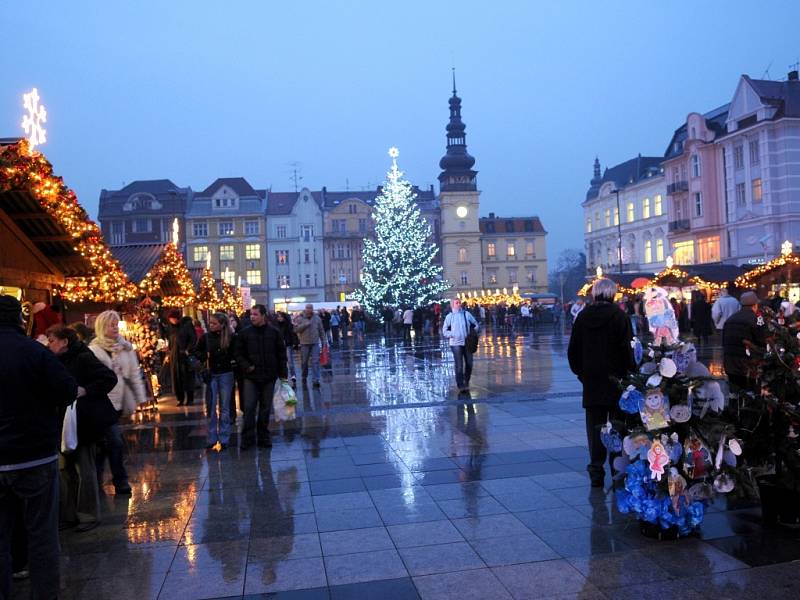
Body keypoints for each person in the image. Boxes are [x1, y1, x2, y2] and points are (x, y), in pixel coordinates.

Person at [0, 296, 78, 599]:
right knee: (42, 537)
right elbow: (68, 389)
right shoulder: (35, 352)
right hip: (34, 456)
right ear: (19, 320)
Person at [46, 324, 117, 531]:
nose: (49, 345)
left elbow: (109, 378)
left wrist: (86, 390)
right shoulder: (54, 360)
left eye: (52, 341)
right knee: (65, 469)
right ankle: (69, 515)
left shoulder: (83, 357)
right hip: (63, 421)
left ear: (64, 342)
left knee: (84, 468)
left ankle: (87, 515)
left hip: (83, 421)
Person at [567, 278, 634, 487]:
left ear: (594, 294)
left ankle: (596, 471)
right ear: (612, 294)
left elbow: (573, 352)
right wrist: (628, 375)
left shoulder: (582, 317)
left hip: (592, 383)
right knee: (616, 426)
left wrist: (582, 374)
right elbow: (628, 349)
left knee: (595, 428)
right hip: (616, 382)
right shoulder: (620, 317)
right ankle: (617, 470)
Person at [89, 310, 147, 494]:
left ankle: (100, 480)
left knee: (107, 443)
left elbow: (133, 375)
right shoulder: (94, 350)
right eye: (111, 325)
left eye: (116, 324)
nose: (115, 328)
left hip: (119, 401)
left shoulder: (125, 348)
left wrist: (141, 397)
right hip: (102, 403)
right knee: (113, 441)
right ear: (101, 326)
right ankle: (118, 481)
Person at [235, 304, 288, 449]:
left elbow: (281, 354)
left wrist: (283, 374)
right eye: (251, 314)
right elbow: (238, 354)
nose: (252, 317)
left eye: (255, 314)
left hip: (269, 376)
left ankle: (263, 436)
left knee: (265, 408)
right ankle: (248, 438)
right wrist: (247, 366)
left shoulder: (274, 332)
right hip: (251, 376)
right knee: (249, 407)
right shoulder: (245, 333)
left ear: (263, 315)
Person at [195, 312, 236, 450]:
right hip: (211, 374)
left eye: (214, 323)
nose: (211, 325)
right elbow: (196, 353)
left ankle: (224, 437)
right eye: (210, 323)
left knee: (224, 408)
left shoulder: (230, 337)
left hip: (226, 374)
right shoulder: (206, 338)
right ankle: (212, 437)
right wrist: (202, 359)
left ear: (222, 324)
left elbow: (235, 354)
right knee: (211, 407)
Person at [722, 291, 766, 392]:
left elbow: (724, 343)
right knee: (751, 394)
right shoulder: (758, 319)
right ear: (755, 305)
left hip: (729, 363)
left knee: (734, 393)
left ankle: (734, 406)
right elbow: (762, 339)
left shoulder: (730, 319)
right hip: (748, 365)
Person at [442, 297, 480, 393]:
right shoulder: (449, 316)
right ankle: (460, 384)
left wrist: (473, 332)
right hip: (455, 343)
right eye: (456, 303)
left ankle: (466, 381)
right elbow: (444, 331)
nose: (459, 304)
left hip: (467, 342)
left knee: (469, 363)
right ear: (452, 305)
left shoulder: (466, 314)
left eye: (459, 302)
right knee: (459, 364)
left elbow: (476, 324)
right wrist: (453, 334)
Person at [165, 310, 198, 406]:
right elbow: (171, 341)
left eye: (172, 319)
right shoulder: (171, 328)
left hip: (184, 356)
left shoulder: (186, 326)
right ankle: (180, 398)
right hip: (175, 357)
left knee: (187, 378)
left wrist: (188, 350)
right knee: (177, 378)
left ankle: (190, 399)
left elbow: (193, 339)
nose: (171, 321)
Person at [294, 304, 327, 388]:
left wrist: (324, 341)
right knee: (304, 362)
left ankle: (315, 380)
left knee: (315, 361)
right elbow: (296, 330)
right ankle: (304, 376)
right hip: (304, 343)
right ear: (305, 309)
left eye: (310, 308)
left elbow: (321, 330)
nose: (309, 310)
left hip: (315, 343)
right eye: (307, 308)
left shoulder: (317, 318)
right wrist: (305, 325)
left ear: (312, 309)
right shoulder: (300, 318)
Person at [274, 311, 298, 384]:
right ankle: (284, 376)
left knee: (290, 361)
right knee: (282, 362)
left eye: (281, 317)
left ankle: (293, 375)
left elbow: (293, 334)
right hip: (280, 346)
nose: (279, 318)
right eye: (278, 317)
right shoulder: (276, 326)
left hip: (288, 344)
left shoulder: (289, 325)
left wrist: (295, 343)